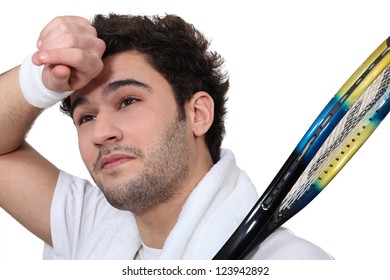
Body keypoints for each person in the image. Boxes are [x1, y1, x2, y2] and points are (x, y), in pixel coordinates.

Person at [0, 13, 332, 260]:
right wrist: (37, 79)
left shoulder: (293, 263)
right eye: (86, 117)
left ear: (197, 114)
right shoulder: (89, 227)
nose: (101, 133)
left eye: (128, 101)